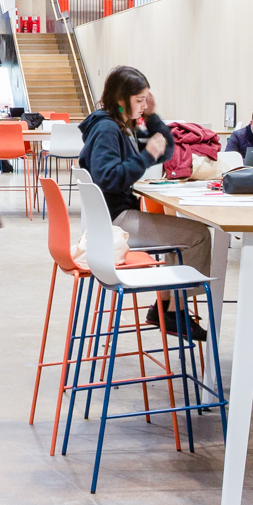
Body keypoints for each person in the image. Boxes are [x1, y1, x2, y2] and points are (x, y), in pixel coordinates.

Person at [77, 65, 224, 339]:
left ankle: (165, 309)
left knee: (181, 234)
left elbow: (165, 151)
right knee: (198, 236)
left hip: (112, 218)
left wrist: (153, 118)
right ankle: (174, 313)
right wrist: (145, 156)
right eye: (139, 100)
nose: (144, 105)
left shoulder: (121, 124)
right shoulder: (107, 129)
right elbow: (109, 178)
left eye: (146, 99)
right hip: (115, 222)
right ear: (121, 100)